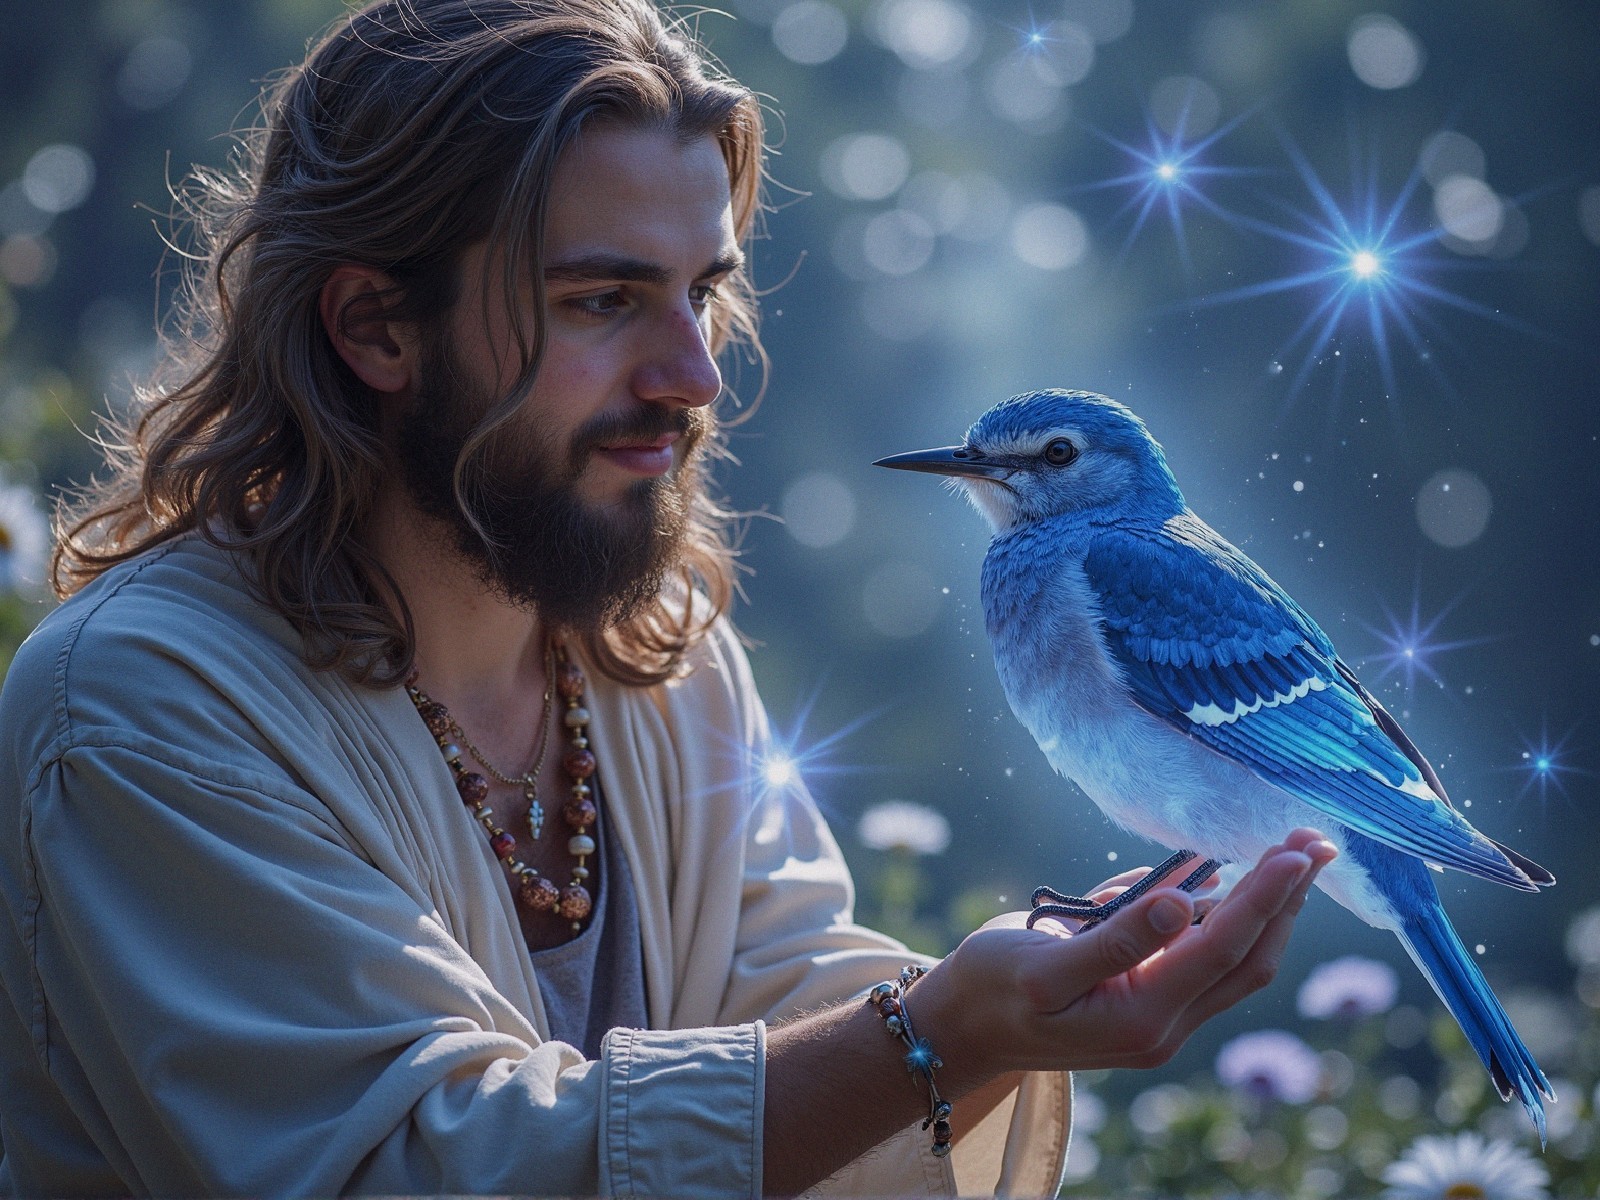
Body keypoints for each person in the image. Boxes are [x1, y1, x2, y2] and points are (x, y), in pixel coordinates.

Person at [0, 1, 1336, 1195]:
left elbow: (810, 1025)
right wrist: (940, 1033)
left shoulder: (659, 661)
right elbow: (409, 1164)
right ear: (374, 327)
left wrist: (1000, 1012)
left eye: (702, 293)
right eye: (602, 300)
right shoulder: (141, 711)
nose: (695, 373)